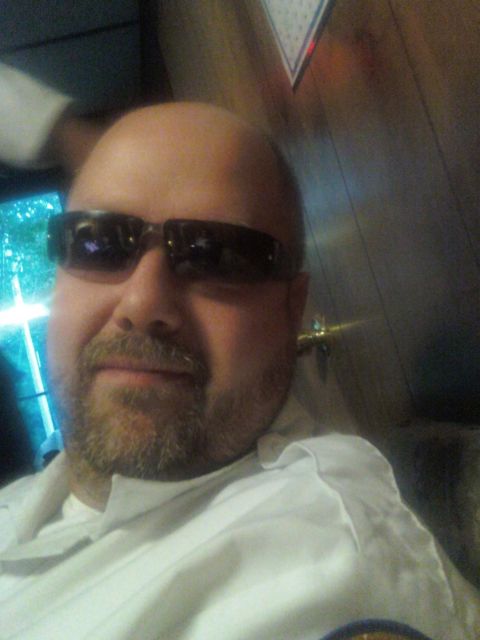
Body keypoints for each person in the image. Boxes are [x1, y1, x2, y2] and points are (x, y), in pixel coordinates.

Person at [0, 102, 479, 640]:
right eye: (97, 242)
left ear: (291, 309)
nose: (141, 302)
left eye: (216, 255)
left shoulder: (326, 556)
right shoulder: (19, 505)